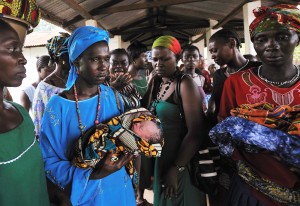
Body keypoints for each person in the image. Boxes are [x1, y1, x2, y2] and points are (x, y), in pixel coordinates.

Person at [210, 4, 300, 206]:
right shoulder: (237, 83)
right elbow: (225, 130)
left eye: (282, 37)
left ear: (297, 39)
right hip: (252, 189)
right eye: (262, 39)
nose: (271, 45)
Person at [39, 26, 136, 205]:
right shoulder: (58, 106)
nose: (103, 66)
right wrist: (93, 173)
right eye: (94, 59)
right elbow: (48, 160)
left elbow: (127, 140)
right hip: (85, 195)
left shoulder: (113, 96)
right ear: (76, 63)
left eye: (106, 59)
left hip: (119, 190)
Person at [143, 35, 207, 206]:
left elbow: (196, 132)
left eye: (165, 59)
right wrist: (150, 83)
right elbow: (143, 112)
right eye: (155, 60)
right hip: (161, 159)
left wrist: (176, 167)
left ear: (177, 59)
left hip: (181, 159)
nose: (158, 64)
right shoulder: (158, 83)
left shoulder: (185, 84)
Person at [0, 4, 50, 206]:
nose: (23, 59)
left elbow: (33, 175)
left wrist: (53, 193)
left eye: (20, 49)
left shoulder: (19, 112)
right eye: (12, 49)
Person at [207, 29, 261, 127]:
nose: (212, 56)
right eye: (211, 52)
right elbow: (215, 101)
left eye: (215, 50)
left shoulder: (257, 69)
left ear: (232, 43)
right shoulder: (218, 75)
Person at [32, 33, 70, 138]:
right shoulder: (44, 87)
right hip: (55, 142)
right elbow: (38, 122)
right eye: (70, 54)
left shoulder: (79, 80)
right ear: (59, 58)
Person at [181, 44, 207, 111]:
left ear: (199, 58)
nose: (191, 59)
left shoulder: (201, 79)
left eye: (195, 56)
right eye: (187, 56)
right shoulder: (179, 79)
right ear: (182, 59)